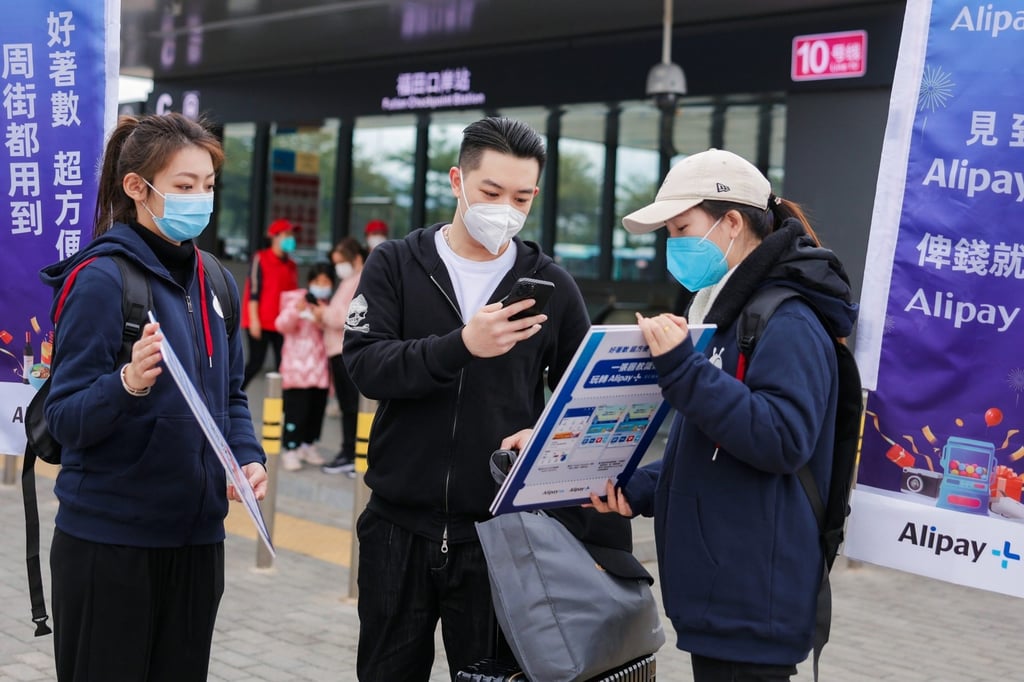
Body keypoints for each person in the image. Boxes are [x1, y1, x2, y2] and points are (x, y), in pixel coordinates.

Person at [344, 117, 634, 680]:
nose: (506, 207)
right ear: (457, 180)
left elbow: (584, 395)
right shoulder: (396, 265)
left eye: (522, 196)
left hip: (502, 536)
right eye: (491, 192)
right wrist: (461, 346)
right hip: (397, 526)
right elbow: (366, 366)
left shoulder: (549, 284)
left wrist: (548, 434)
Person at [587, 149, 858, 682]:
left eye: (682, 227)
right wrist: (642, 488)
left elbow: (781, 438)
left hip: (752, 601)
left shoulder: (788, 318)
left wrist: (681, 370)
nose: (673, 244)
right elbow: (714, 443)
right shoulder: (728, 312)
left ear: (732, 222)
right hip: (725, 596)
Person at [39, 112, 268, 681]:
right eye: (184, 187)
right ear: (137, 188)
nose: (200, 199)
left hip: (196, 542)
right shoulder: (101, 279)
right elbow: (64, 418)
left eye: (208, 186)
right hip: (110, 545)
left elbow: (231, 396)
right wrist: (127, 383)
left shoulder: (215, 280)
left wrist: (247, 457)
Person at [275, 262, 335, 471]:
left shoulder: (328, 306)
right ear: (309, 282)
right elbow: (281, 325)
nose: (321, 285)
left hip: (319, 370)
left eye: (326, 282)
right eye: (317, 281)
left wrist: (322, 318)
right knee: (296, 412)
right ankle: (290, 449)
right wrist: (296, 312)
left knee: (315, 412)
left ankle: (308, 445)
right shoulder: (295, 300)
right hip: (297, 368)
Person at [321, 237, 368, 475]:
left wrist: (323, 313)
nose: (339, 267)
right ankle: (350, 451)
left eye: (342, 262)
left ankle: (352, 452)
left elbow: (347, 316)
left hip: (344, 350)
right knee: (348, 405)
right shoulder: (349, 280)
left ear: (356, 259)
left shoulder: (360, 281)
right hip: (337, 349)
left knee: (351, 406)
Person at [241, 218, 299, 389]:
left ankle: (283, 405)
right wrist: (254, 320)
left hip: (282, 324)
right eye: (287, 234)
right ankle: (231, 395)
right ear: (275, 237)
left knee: (283, 364)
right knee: (255, 363)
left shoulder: (291, 265)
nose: (291, 238)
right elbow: (254, 290)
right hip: (261, 320)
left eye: (292, 235)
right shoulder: (260, 258)